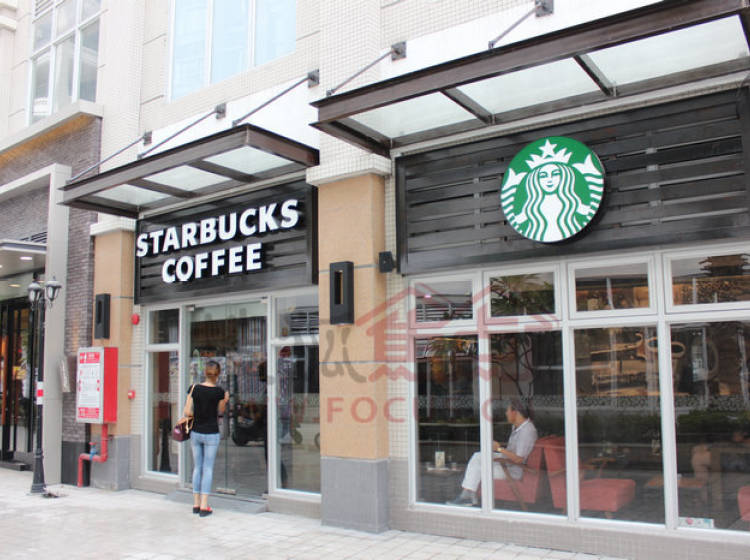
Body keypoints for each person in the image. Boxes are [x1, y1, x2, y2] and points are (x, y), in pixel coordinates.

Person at [449, 399, 538, 506]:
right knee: (478, 456)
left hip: (512, 470)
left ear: (515, 412)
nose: (506, 413)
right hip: (507, 462)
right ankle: (468, 495)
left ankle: (467, 496)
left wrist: (499, 449)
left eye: (507, 410)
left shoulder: (527, 431)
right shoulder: (518, 427)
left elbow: (519, 459)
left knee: (478, 469)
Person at [179, 360, 229, 517]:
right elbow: (220, 411)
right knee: (207, 468)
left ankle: (195, 504)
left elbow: (187, 412)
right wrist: (225, 400)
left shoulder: (194, 388)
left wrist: (197, 414)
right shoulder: (219, 392)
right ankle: (204, 506)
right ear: (218, 374)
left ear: (205, 373)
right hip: (211, 433)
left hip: (196, 432)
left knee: (197, 467)